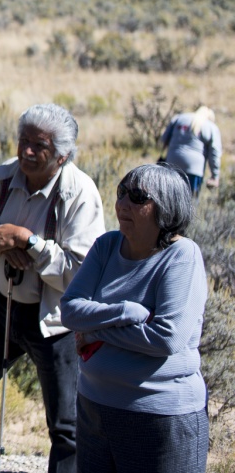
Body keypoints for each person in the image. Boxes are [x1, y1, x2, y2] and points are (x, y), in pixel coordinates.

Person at [0, 103, 106, 473]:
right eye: (23, 140)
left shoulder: (79, 194)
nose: (27, 151)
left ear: (61, 156)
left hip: (55, 324)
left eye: (38, 145)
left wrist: (29, 242)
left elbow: (81, 273)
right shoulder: (4, 179)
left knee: (66, 426)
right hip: (5, 308)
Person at [60, 164, 208, 473]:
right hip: (94, 408)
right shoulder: (107, 246)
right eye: (121, 193)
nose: (124, 204)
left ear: (166, 208)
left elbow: (166, 337)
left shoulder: (182, 256)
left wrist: (95, 333)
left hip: (159, 417)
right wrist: (126, 312)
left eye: (139, 197)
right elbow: (70, 310)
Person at [160, 106, 221, 196]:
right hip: (194, 168)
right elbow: (214, 153)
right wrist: (215, 176)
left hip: (171, 162)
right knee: (190, 201)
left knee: (168, 197)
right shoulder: (211, 126)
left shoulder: (179, 118)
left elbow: (164, 138)